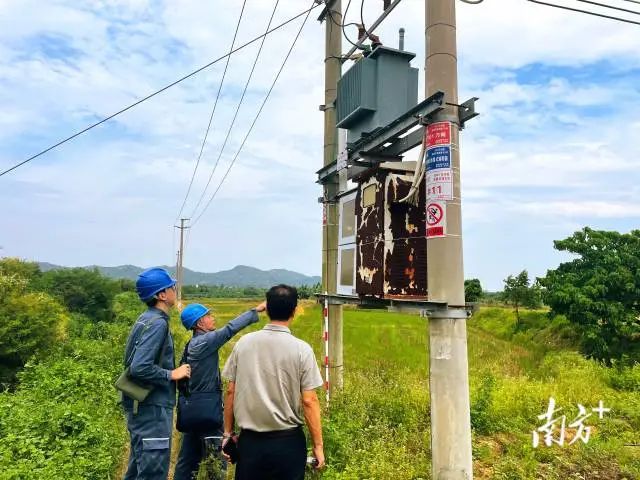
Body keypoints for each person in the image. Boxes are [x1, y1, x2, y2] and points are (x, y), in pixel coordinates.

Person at [221, 284, 325, 480]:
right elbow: (310, 400)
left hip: (250, 443)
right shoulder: (302, 350)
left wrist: (228, 433)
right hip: (288, 443)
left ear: (267, 309)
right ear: (294, 310)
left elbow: (231, 391)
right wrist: (318, 446)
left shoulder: (244, 344)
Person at [174, 301, 266, 480]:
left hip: (193, 413)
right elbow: (230, 329)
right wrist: (256, 310)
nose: (212, 318)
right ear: (199, 323)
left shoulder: (192, 344)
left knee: (187, 463)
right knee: (216, 464)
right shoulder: (205, 341)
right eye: (208, 316)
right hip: (208, 414)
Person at [122, 267, 191, 480]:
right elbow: (139, 367)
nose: (174, 289)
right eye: (171, 287)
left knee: (138, 468)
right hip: (152, 409)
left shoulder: (145, 318)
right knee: (153, 471)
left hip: (141, 407)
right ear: (161, 295)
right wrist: (172, 374)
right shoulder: (157, 324)